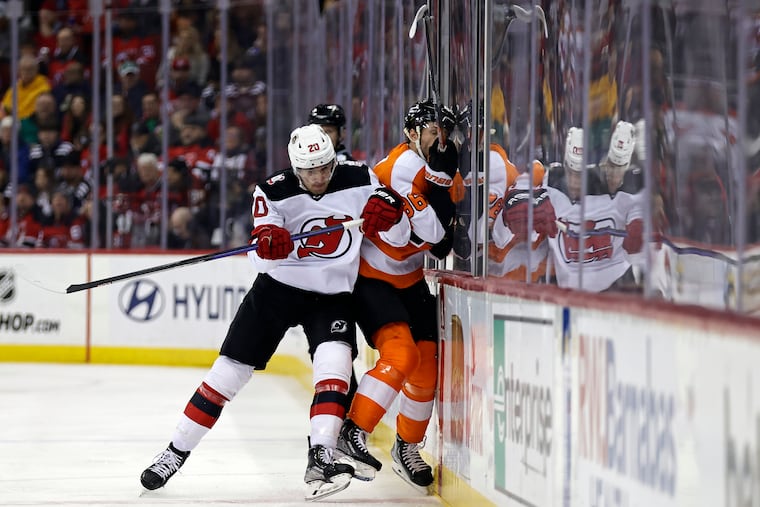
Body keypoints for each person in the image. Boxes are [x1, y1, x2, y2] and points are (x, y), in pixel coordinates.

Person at [139, 124, 405, 501]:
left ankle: (322, 455)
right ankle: (173, 453)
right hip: (277, 291)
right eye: (310, 171)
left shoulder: (361, 177)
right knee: (226, 375)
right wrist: (266, 244)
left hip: (332, 296)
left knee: (336, 369)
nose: (319, 177)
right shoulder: (272, 190)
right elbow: (260, 261)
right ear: (296, 168)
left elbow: (395, 224)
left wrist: (392, 214)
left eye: (325, 167)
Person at [334, 99, 458, 492]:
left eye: (442, 132)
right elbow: (437, 237)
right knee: (401, 355)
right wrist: (440, 185)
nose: (438, 138)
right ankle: (352, 431)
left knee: (426, 369)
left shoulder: (437, 164)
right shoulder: (402, 169)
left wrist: (443, 181)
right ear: (411, 134)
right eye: (430, 131)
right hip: (372, 279)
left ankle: (407, 447)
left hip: (410, 279)